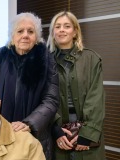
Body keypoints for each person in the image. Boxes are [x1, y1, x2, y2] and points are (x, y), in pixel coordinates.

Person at [0, 12, 59, 160]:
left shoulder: (47, 61)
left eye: (30, 31)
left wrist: (29, 123)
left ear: (37, 37)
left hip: (34, 137)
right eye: (20, 31)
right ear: (12, 37)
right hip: (1, 136)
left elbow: (51, 100)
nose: (25, 35)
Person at [47, 11, 106, 160]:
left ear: (75, 32)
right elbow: (43, 98)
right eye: (57, 26)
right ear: (53, 32)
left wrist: (87, 134)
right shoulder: (44, 61)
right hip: (58, 133)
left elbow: (96, 98)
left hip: (87, 133)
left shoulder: (91, 59)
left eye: (67, 26)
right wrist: (56, 131)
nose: (61, 30)